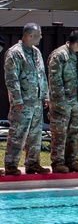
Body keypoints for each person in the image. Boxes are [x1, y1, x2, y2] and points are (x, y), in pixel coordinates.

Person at [4, 23, 49, 175]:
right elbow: (12, 79)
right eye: (39, 34)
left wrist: (45, 95)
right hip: (22, 103)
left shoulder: (36, 52)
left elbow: (41, 75)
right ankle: (11, 165)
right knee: (18, 134)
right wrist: (17, 100)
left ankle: (33, 163)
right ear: (29, 36)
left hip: (36, 102)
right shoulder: (15, 53)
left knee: (36, 135)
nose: (41, 37)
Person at [47, 29, 78, 174]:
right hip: (62, 103)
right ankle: (58, 162)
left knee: (75, 133)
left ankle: (73, 161)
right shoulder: (59, 56)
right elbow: (55, 81)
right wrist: (61, 102)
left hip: (77, 103)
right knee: (60, 133)